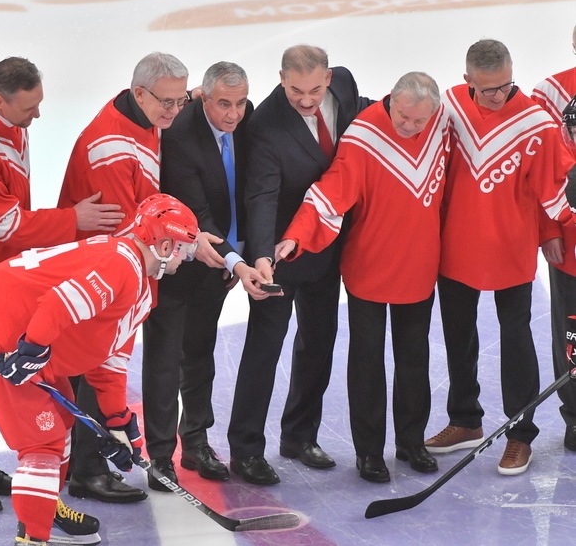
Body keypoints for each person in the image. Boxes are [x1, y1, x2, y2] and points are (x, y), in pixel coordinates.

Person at [0, 57, 126, 512]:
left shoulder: (13, 126)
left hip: (1, 282)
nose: (38, 115)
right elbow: (1, 224)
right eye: (29, 108)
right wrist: (71, 220)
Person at [0, 194, 200, 546]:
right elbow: (58, 303)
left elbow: (109, 360)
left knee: (61, 420)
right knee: (42, 441)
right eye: (184, 250)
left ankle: (45, 509)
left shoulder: (140, 285)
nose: (185, 258)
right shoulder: (120, 266)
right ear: (164, 246)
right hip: (0, 328)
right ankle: (32, 538)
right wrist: (31, 350)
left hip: (30, 333)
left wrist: (117, 419)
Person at [276, 72, 450, 483]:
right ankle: (369, 452)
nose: (409, 126)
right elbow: (330, 191)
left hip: (419, 264)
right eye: (403, 116)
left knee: (415, 358)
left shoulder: (440, 127)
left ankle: (411, 442)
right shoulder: (364, 135)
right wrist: (296, 235)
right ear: (392, 101)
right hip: (369, 266)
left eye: (419, 120)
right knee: (367, 361)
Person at [424, 39, 575, 476]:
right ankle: (465, 420)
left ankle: (520, 433)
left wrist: (550, 231)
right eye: (489, 88)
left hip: (512, 245)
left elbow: (550, 188)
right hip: (456, 244)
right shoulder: (450, 106)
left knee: (516, 339)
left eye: (506, 85)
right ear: (468, 79)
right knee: (458, 335)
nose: (499, 95)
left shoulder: (535, 121)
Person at [226, 44, 372, 485]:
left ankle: (300, 437)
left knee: (318, 343)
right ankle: (246, 450)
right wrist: (262, 256)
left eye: (314, 90)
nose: (306, 100)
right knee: (264, 350)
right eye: (295, 91)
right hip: (280, 255)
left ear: (328, 78)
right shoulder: (265, 125)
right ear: (281, 79)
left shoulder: (345, 85)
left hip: (328, 250)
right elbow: (261, 195)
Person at [57, 52, 189, 502]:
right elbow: (125, 233)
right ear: (139, 93)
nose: (174, 111)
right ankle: (87, 471)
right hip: (102, 275)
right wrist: (174, 253)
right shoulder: (110, 148)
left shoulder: (145, 114)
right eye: (167, 102)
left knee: (99, 365)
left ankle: (85, 465)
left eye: (181, 101)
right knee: (98, 365)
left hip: (115, 267)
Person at [141, 62, 273, 491]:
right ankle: (161, 457)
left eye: (240, 103)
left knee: (200, 356)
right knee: (164, 361)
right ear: (205, 99)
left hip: (220, 267)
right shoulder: (181, 137)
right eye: (224, 104)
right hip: (178, 264)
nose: (234, 114)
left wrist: (241, 257)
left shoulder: (247, 119)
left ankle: (196, 443)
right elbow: (197, 215)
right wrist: (237, 262)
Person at [531, 29, 576, 452]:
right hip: (571, 242)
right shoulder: (549, 93)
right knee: (572, 330)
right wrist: (547, 229)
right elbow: (538, 169)